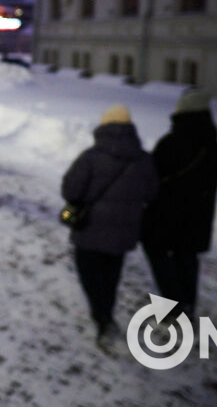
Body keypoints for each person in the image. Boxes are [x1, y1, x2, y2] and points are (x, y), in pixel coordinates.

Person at [61, 104, 158, 348]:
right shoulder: (145, 160)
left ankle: (102, 318)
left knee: (89, 274)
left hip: (90, 230)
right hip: (124, 232)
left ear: (103, 126)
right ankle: (107, 314)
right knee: (111, 275)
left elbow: (70, 190)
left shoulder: (91, 157)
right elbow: (152, 193)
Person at [141, 89, 217, 320]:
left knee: (157, 253)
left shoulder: (172, 142)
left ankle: (172, 308)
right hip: (198, 214)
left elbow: (153, 176)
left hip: (167, 213)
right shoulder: (212, 142)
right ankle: (188, 305)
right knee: (186, 257)